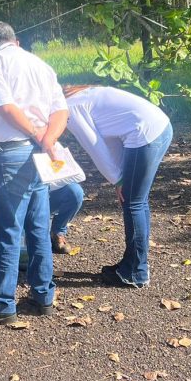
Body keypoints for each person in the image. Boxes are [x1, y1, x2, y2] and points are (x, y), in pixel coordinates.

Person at [0, 21, 68, 325]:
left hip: (11, 153)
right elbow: (61, 111)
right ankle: (43, 295)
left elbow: (5, 107)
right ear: (16, 41)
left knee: (6, 230)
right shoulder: (40, 64)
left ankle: (1, 304)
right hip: (40, 154)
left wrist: (37, 135)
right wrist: (47, 140)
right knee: (37, 227)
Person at [63, 85, 172, 288]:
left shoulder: (70, 108)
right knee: (137, 200)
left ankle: (135, 272)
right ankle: (134, 264)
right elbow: (110, 137)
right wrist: (120, 176)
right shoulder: (81, 94)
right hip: (159, 126)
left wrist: (118, 179)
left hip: (144, 134)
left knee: (132, 203)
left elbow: (96, 146)